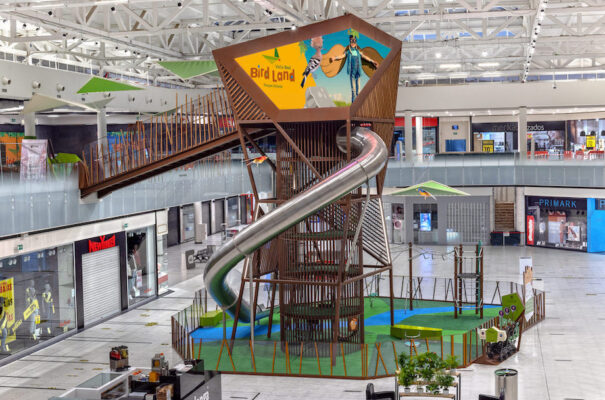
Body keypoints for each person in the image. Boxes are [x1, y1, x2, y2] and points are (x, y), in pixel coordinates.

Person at [329, 35, 378, 102]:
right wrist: (335, 58)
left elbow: (365, 57)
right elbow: (342, 56)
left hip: (358, 71)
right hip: (352, 72)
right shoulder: (348, 52)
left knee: (358, 90)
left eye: (354, 41)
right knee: (353, 90)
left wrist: (372, 61)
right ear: (349, 42)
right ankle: (353, 103)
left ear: (356, 42)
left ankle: (358, 103)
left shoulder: (358, 52)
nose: (352, 42)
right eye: (351, 41)